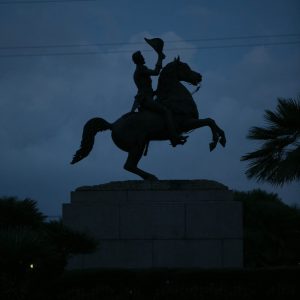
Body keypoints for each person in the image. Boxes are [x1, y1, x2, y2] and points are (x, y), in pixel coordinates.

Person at [131, 50, 187, 147]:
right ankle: (173, 137)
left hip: (148, 97)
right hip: (145, 99)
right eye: (142, 56)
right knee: (166, 111)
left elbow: (147, 88)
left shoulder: (140, 69)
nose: (144, 58)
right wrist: (160, 58)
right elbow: (156, 72)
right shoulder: (141, 70)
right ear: (138, 60)